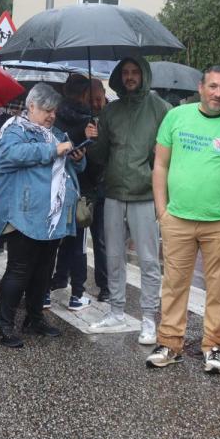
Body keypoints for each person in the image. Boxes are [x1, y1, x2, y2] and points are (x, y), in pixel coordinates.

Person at [145, 67, 220, 373]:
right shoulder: (176, 117)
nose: (218, 94)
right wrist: (161, 210)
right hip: (177, 218)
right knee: (174, 283)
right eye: (212, 87)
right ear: (201, 87)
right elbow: (160, 164)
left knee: (219, 287)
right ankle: (169, 344)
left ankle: (215, 347)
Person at [0, 84, 85, 348]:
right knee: (19, 271)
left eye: (54, 111)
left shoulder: (54, 133)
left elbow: (69, 166)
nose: (51, 116)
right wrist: (52, 151)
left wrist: (77, 158)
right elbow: (8, 156)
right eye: (47, 110)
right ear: (31, 106)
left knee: (43, 271)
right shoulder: (14, 130)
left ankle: (34, 319)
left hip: (51, 216)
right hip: (23, 214)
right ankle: (5, 326)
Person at [88, 57, 171, 345]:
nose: (130, 77)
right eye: (125, 73)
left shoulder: (161, 109)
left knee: (149, 260)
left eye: (135, 72)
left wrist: (153, 178)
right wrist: (93, 137)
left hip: (145, 194)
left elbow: (167, 152)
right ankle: (116, 311)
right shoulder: (110, 110)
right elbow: (100, 156)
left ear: (144, 74)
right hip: (113, 192)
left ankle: (149, 318)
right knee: (113, 256)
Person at [48, 74, 99, 311]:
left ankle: (45, 292)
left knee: (51, 243)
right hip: (80, 189)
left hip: (54, 189)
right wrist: (88, 140)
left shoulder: (52, 116)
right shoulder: (89, 121)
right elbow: (92, 157)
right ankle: (77, 294)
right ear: (85, 94)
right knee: (78, 244)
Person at [0, 96, 25, 257]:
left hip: (21, 172)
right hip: (3, 170)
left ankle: (17, 242)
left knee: (20, 207)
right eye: (13, 107)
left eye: (19, 108)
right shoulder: (2, 120)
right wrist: (4, 143)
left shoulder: (29, 124)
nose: (16, 111)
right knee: (1, 206)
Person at [89, 78, 109, 302]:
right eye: (91, 99)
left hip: (104, 185)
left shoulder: (111, 116)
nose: (95, 103)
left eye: (98, 98)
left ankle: (105, 285)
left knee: (101, 239)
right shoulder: (84, 117)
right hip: (87, 184)